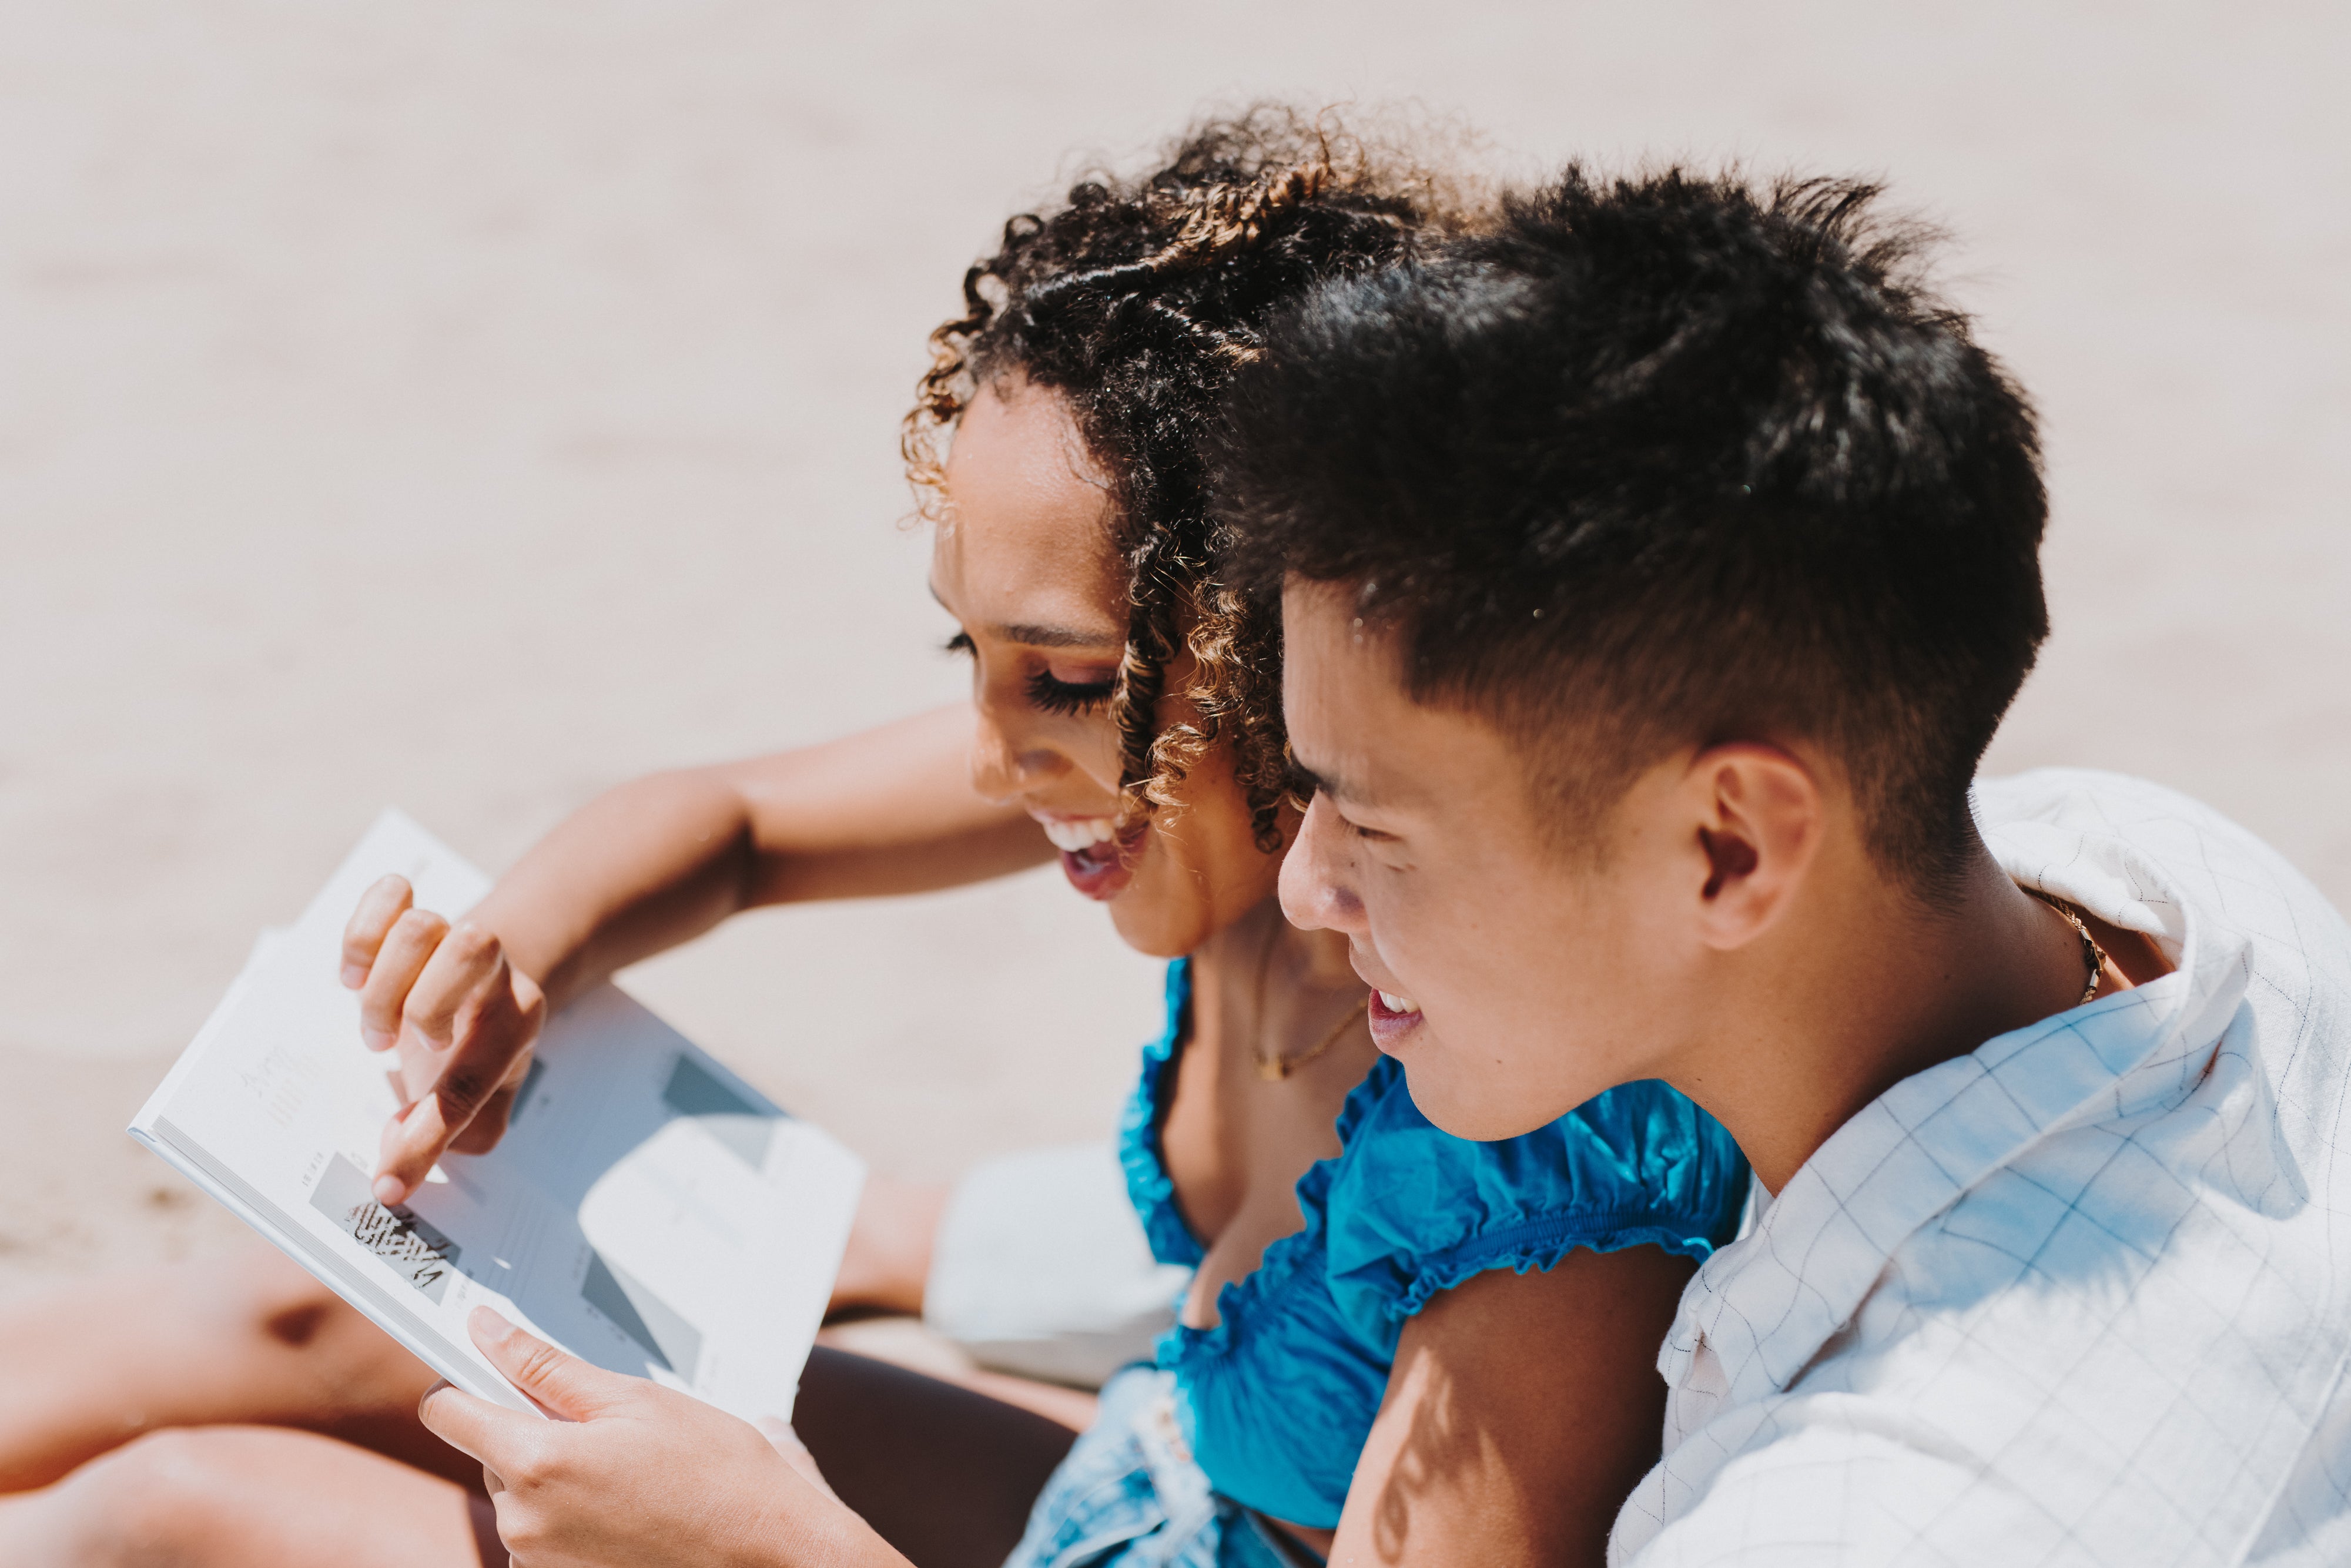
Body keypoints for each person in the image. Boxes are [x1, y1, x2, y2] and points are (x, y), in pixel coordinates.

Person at [0, 116, 1747, 1568]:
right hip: (1142, 1479)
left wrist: (772, 1547)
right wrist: (513, 957)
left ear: (1305, 643)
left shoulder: (1539, 1157)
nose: (996, 752)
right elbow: (737, 826)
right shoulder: (1211, 820)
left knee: (180, 1513)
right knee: (313, 1312)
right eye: (965, 655)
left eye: (1064, 675)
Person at [1213, 166, 2351, 1563]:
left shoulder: (1866, 1512)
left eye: (1372, 827)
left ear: (1729, 848)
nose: (1303, 887)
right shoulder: (2158, 867)